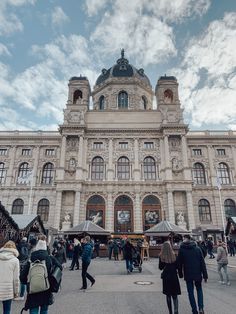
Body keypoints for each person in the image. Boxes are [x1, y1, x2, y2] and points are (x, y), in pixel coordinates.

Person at [20, 238, 62, 314]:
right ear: (45, 247)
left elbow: (22, 277)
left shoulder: (30, 259)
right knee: (44, 310)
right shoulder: (49, 258)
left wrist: (29, 282)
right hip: (46, 289)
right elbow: (60, 267)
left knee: (33, 310)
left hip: (33, 291)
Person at [177, 234, 208, 314]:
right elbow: (202, 262)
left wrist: (180, 274)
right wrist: (205, 275)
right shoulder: (197, 248)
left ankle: (194, 310)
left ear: (184, 240)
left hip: (188, 273)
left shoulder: (182, 249)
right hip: (198, 272)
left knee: (190, 292)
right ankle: (201, 308)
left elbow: (179, 263)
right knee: (199, 290)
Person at [159, 241, 181, 314]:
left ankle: (170, 312)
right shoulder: (175, 255)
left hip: (166, 277)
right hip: (174, 276)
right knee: (175, 295)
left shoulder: (161, 256)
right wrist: (181, 275)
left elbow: (160, 267)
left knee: (168, 295)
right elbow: (178, 267)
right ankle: (176, 311)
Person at [0, 241, 20, 314]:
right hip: (8, 289)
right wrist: (16, 292)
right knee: (7, 310)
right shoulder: (15, 260)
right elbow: (16, 279)